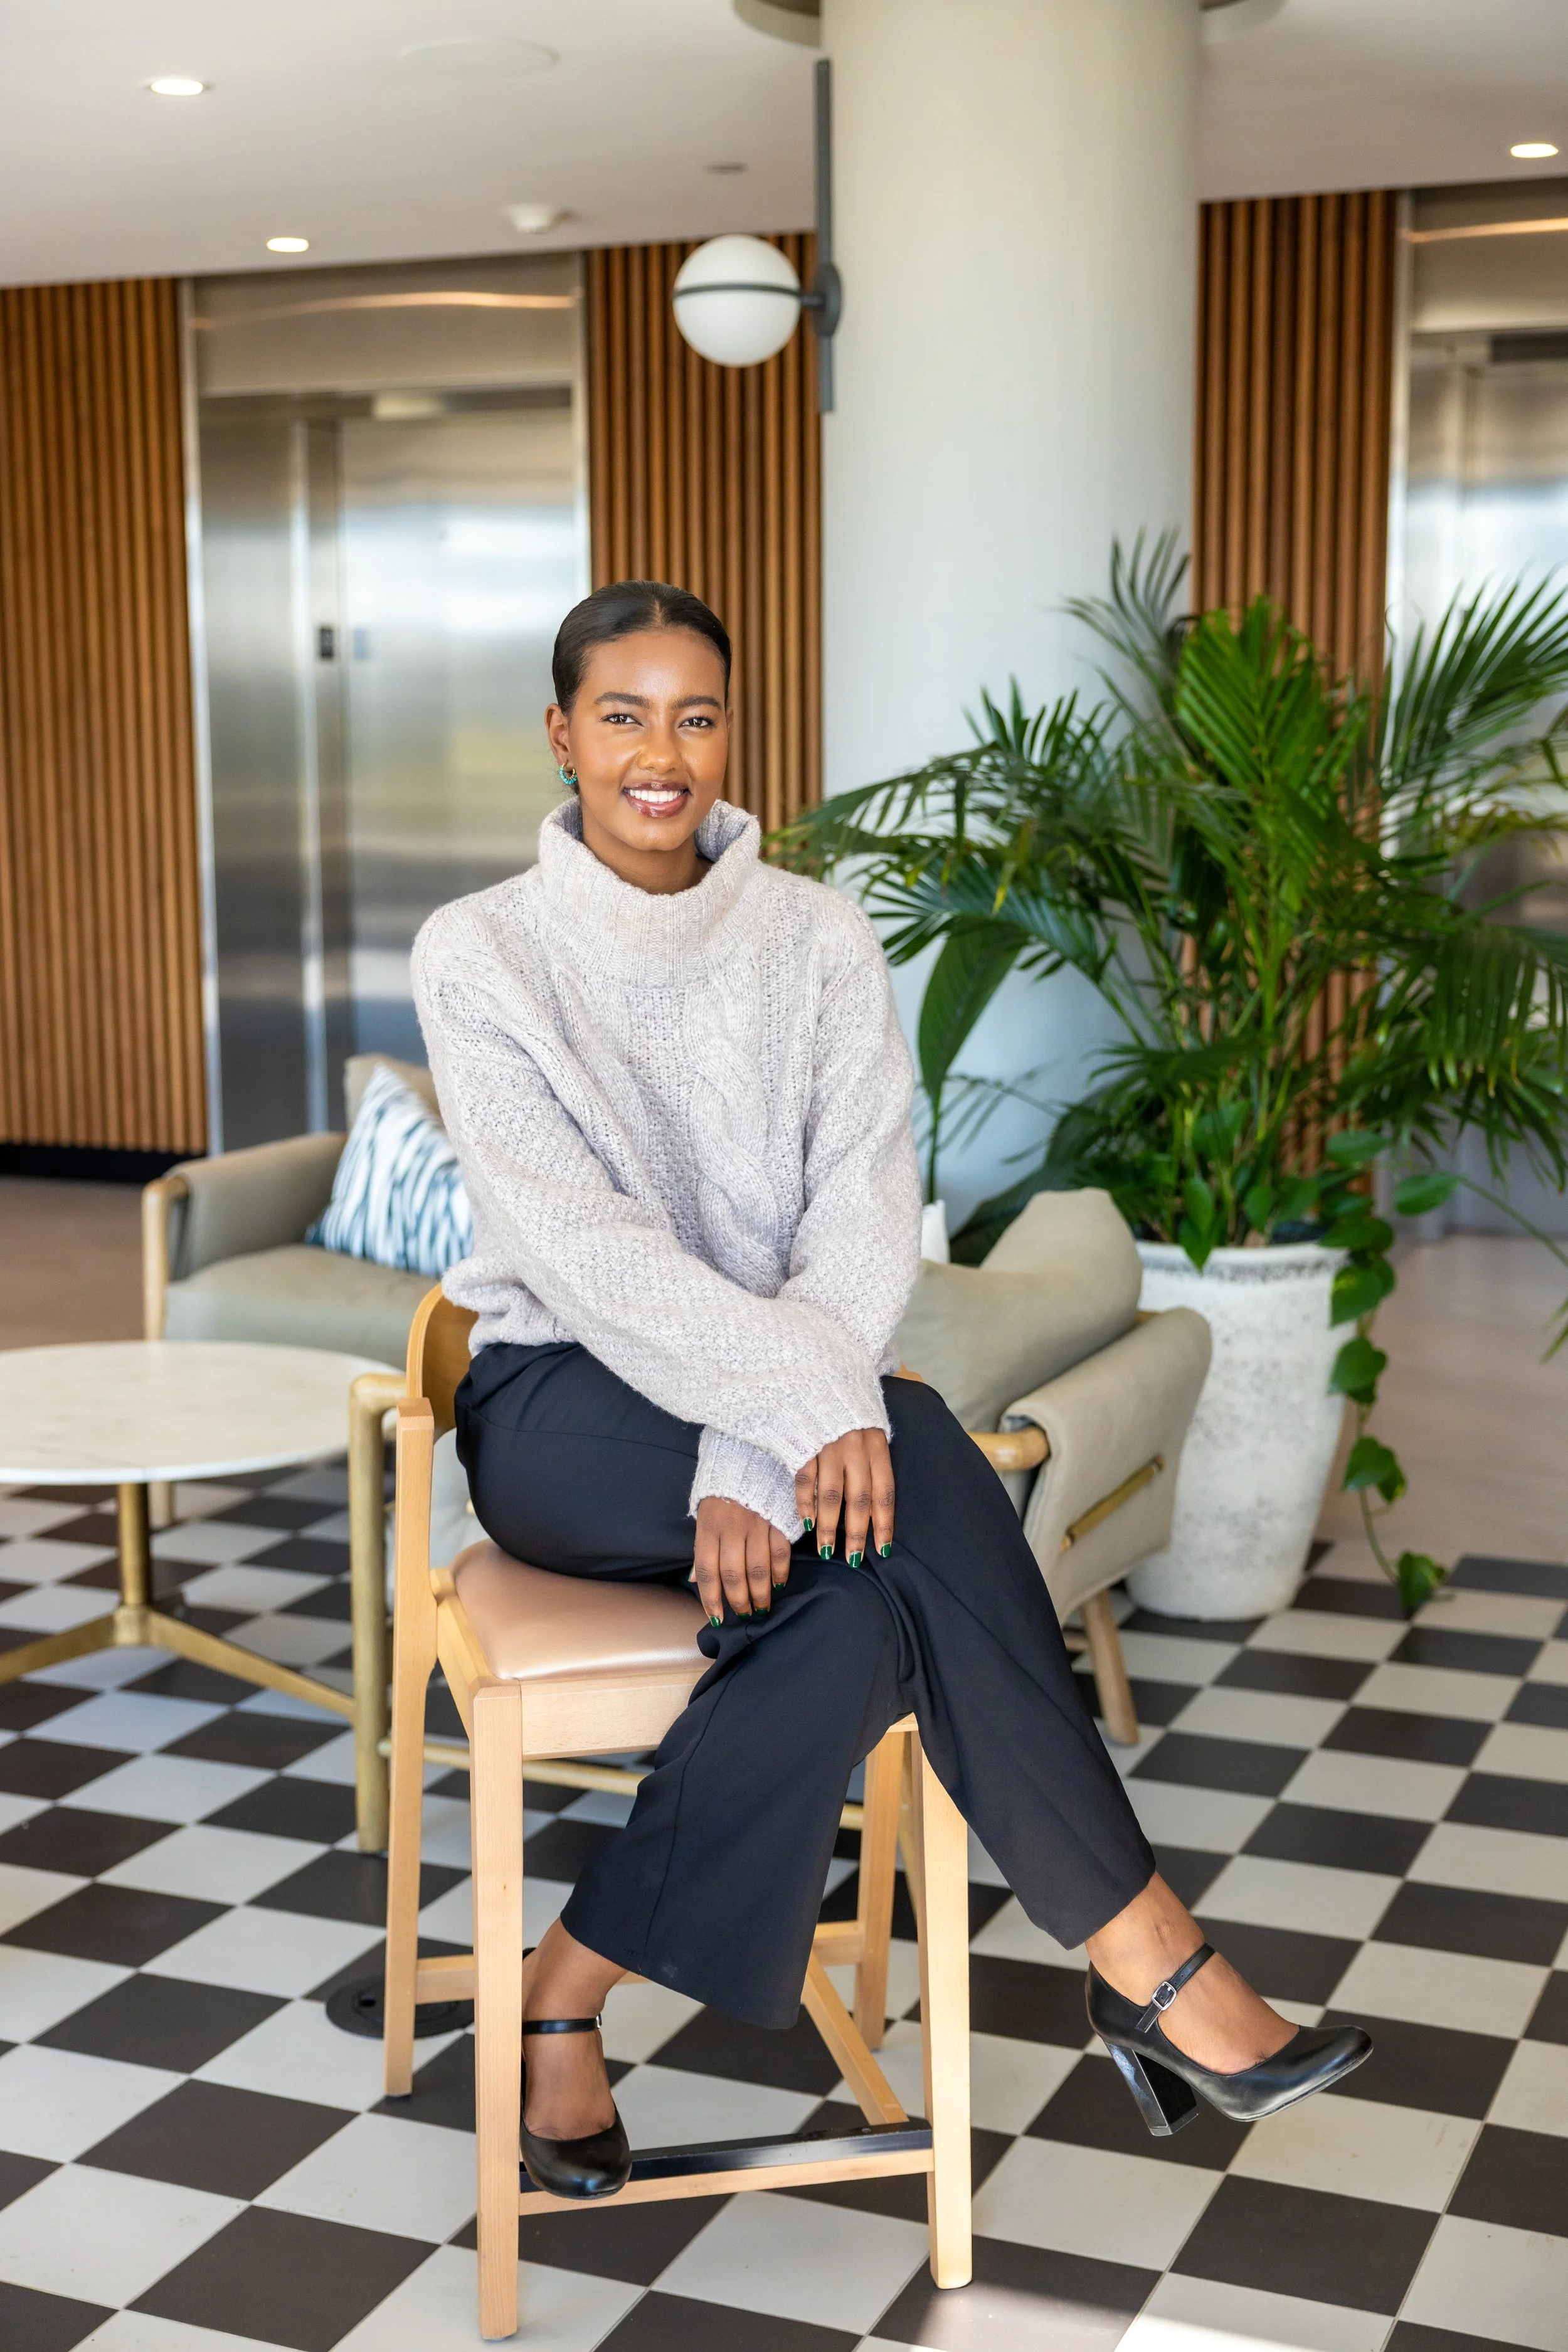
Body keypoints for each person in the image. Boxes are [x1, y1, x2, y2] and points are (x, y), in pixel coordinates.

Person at [411, 580, 1370, 2198]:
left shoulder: (819, 935)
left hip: (782, 1391)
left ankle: (558, 2001)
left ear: (734, 735)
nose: (663, 753)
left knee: (859, 1607)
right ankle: (1149, 1963)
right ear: (563, 734)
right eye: (624, 715)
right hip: (560, 1399)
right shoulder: (482, 953)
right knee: (910, 1446)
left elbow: (865, 1216)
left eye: (697, 715)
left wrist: (757, 1435)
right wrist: (791, 1420)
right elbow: (588, 1254)